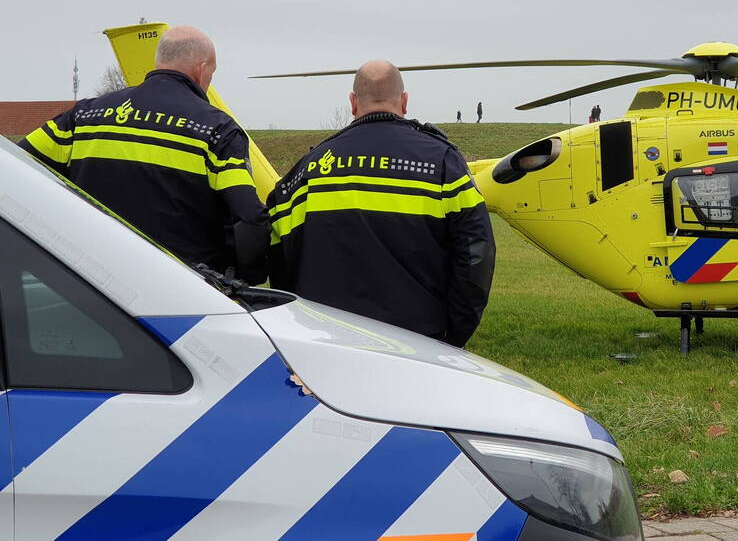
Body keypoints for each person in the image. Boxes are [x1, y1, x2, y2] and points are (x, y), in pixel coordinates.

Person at [267, 60, 496, 347]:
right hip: (418, 345)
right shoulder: (442, 163)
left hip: (323, 346)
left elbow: (277, 253)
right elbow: (477, 255)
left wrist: (300, 323)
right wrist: (454, 334)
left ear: (352, 103)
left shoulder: (309, 169)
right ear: (404, 102)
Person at [19, 26, 269, 282]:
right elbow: (249, 218)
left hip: (91, 284)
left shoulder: (84, 115)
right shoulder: (216, 129)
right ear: (202, 68)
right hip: (180, 286)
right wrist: (249, 282)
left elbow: (16, 167)